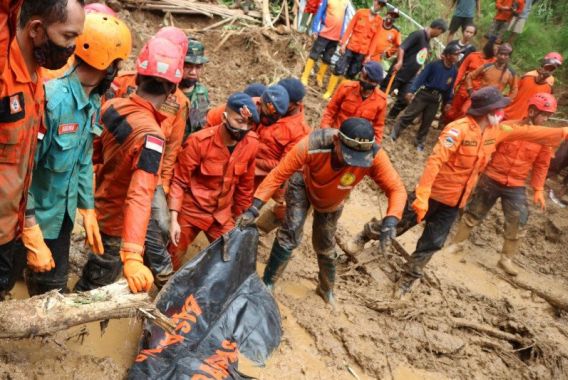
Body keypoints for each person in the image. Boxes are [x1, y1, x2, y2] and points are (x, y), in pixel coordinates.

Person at [390, 87, 568, 298]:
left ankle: (407, 279)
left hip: (461, 199)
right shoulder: (459, 130)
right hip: (436, 193)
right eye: (499, 109)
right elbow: (435, 161)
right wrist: (422, 194)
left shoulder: (498, 131)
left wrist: (560, 133)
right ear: (488, 111)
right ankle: (366, 236)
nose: (503, 112)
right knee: (396, 223)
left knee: (432, 243)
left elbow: (531, 134)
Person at [237, 118, 408, 305]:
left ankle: (326, 288)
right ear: (336, 141)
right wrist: (254, 207)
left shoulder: (373, 156)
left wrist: (391, 220)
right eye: (348, 156)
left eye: (359, 160)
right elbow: (279, 174)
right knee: (291, 231)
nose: (353, 163)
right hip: (303, 183)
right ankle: (268, 282)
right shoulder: (312, 145)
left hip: (333, 199)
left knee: (325, 245)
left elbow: (396, 189)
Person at [24, 13, 131, 295]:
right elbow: (20, 173)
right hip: (30, 217)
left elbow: (83, 159)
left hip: (61, 216)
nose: (118, 71)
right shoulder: (52, 101)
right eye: (117, 65)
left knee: (52, 288)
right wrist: (30, 230)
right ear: (106, 65)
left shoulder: (93, 101)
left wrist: (88, 208)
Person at [74, 36, 185, 294]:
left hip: (98, 204)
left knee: (97, 270)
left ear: (137, 79)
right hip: (116, 221)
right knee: (95, 286)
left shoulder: (113, 106)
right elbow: (140, 195)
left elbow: (92, 156)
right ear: (171, 91)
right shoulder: (153, 137)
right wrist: (133, 256)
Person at [0, 0, 84, 300]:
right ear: (36, 29)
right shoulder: (5, 72)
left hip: (9, 229)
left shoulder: (38, 76)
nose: (73, 47)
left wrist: (29, 227)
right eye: (68, 37)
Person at [104, 26, 189, 286]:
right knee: (115, 228)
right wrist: (131, 253)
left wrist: (161, 183)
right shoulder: (123, 86)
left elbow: (173, 146)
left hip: (151, 168)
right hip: (122, 162)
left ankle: (149, 265)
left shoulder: (180, 104)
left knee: (161, 224)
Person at [450, 93, 559, 276]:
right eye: (544, 114)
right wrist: (476, 172)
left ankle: (506, 259)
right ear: (531, 111)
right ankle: (457, 244)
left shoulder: (545, 138)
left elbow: (541, 165)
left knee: (518, 221)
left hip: (516, 184)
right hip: (491, 177)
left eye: (548, 115)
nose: (546, 118)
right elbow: (487, 148)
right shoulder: (506, 127)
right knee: (473, 212)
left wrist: (538, 188)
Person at [167, 93, 259, 269]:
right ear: (224, 117)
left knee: (231, 258)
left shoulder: (252, 144)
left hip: (221, 214)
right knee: (172, 254)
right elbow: (179, 181)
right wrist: (173, 220)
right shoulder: (199, 142)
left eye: (249, 124)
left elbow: (245, 186)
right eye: (239, 121)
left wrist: (239, 217)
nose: (244, 128)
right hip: (191, 209)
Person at [255, 80, 312, 232]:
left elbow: (283, 167)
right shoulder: (273, 105)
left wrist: (253, 161)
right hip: (253, 163)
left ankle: (261, 229)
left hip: (274, 175)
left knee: (284, 207)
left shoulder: (300, 132)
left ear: (295, 104)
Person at [389, 43, 460, 151]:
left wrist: (448, 102)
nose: (457, 56)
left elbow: (450, 88)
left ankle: (419, 141)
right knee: (410, 114)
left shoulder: (454, 70)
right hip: (424, 94)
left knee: (427, 121)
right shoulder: (434, 65)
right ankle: (395, 132)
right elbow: (421, 78)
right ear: (448, 55)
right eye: (456, 54)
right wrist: (412, 91)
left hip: (436, 99)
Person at [381, 19, 448, 120]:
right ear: (437, 28)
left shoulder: (427, 41)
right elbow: (402, 48)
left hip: (410, 77)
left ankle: (390, 118)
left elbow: (419, 58)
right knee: (382, 94)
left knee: (404, 99)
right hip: (399, 72)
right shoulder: (418, 35)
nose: (440, 35)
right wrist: (399, 62)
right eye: (441, 32)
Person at [323, 0, 384, 99]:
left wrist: (369, 55)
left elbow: (375, 40)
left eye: (382, 5)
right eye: (379, 3)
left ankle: (339, 95)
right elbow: (349, 28)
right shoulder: (361, 13)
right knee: (339, 68)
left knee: (351, 74)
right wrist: (343, 43)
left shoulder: (379, 21)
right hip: (350, 47)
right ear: (374, 1)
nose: (379, 6)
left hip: (362, 52)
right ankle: (329, 92)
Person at [321, 61, 387, 143]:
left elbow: (378, 127)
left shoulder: (381, 101)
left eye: (369, 80)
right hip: (336, 134)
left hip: (357, 143)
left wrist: (375, 147)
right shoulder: (346, 87)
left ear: (376, 82)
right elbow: (330, 111)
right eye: (364, 77)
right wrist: (326, 129)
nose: (365, 81)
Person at [300, 0, 350, 87]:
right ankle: (305, 75)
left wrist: (342, 35)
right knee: (314, 54)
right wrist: (315, 29)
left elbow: (344, 20)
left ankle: (319, 77)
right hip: (324, 32)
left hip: (335, 37)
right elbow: (319, 13)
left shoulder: (346, 2)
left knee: (328, 58)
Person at [445, 37, 496, 122]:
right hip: (463, 88)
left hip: (477, 92)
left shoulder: (494, 63)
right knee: (454, 108)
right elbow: (461, 71)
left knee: (465, 111)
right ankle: (446, 123)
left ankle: (457, 127)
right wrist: (453, 87)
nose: (497, 52)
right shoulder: (473, 56)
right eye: (495, 49)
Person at [505, 52, 562, 120]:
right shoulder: (528, 76)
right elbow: (514, 91)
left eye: (552, 69)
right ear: (542, 65)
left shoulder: (550, 83)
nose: (548, 71)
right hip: (512, 112)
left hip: (527, 117)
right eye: (547, 67)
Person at [182, 38, 210, 138]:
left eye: (198, 67)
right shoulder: (167, 91)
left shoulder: (201, 93)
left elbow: (199, 126)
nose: (193, 72)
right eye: (188, 66)